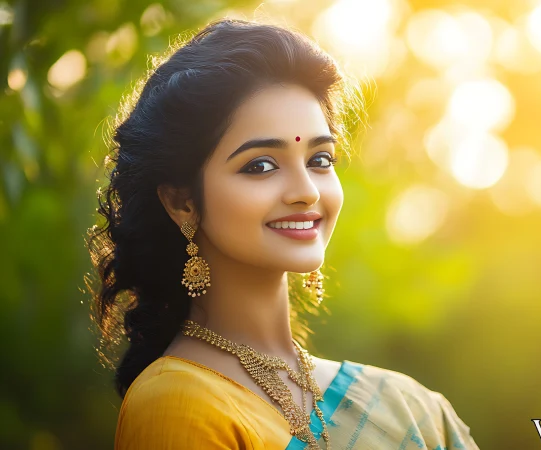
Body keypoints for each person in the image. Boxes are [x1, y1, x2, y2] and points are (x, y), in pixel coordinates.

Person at [85, 18, 479, 450]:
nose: (306, 191)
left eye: (320, 159)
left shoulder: (408, 406)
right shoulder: (176, 404)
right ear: (183, 202)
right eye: (261, 165)